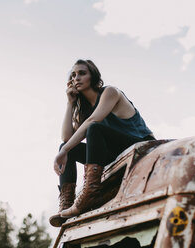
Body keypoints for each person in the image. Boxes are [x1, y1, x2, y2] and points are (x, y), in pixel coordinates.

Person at [49, 59, 154, 227]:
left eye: (82, 73)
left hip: (139, 146)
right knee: (66, 148)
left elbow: (93, 122)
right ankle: (66, 205)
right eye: (73, 75)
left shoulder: (110, 92)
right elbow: (67, 139)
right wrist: (70, 103)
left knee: (94, 129)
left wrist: (63, 151)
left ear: (94, 76)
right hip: (115, 153)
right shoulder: (85, 111)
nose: (77, 78)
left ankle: (90, 192)